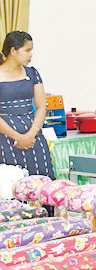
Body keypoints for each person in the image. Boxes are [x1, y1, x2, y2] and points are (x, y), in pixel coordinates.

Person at [0, 32, 55, 178]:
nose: (30, 55)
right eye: (27, 50)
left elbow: (41, 106)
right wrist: (18, 137)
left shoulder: (32, 73)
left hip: (33, 137)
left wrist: (31, 134)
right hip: (6, 139)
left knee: (41, 179)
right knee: (12, 181)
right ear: (13, 51)